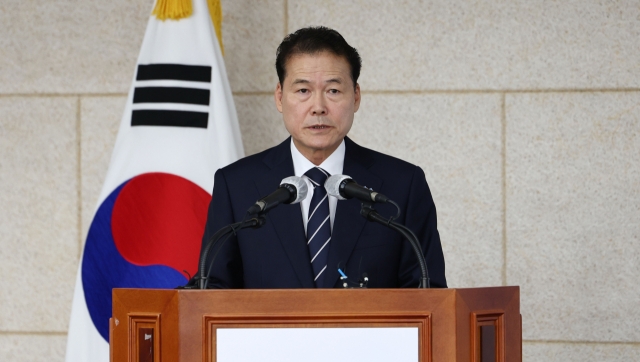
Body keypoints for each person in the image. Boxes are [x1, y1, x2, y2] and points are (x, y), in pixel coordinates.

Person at [198, 26, 446, 288]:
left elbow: (427, 295)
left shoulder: (402, 185)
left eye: (333, 91)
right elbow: (213, 289)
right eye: (303, 91)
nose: (318, 108)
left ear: (356, 96)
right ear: (280, 97)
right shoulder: (237, 185)